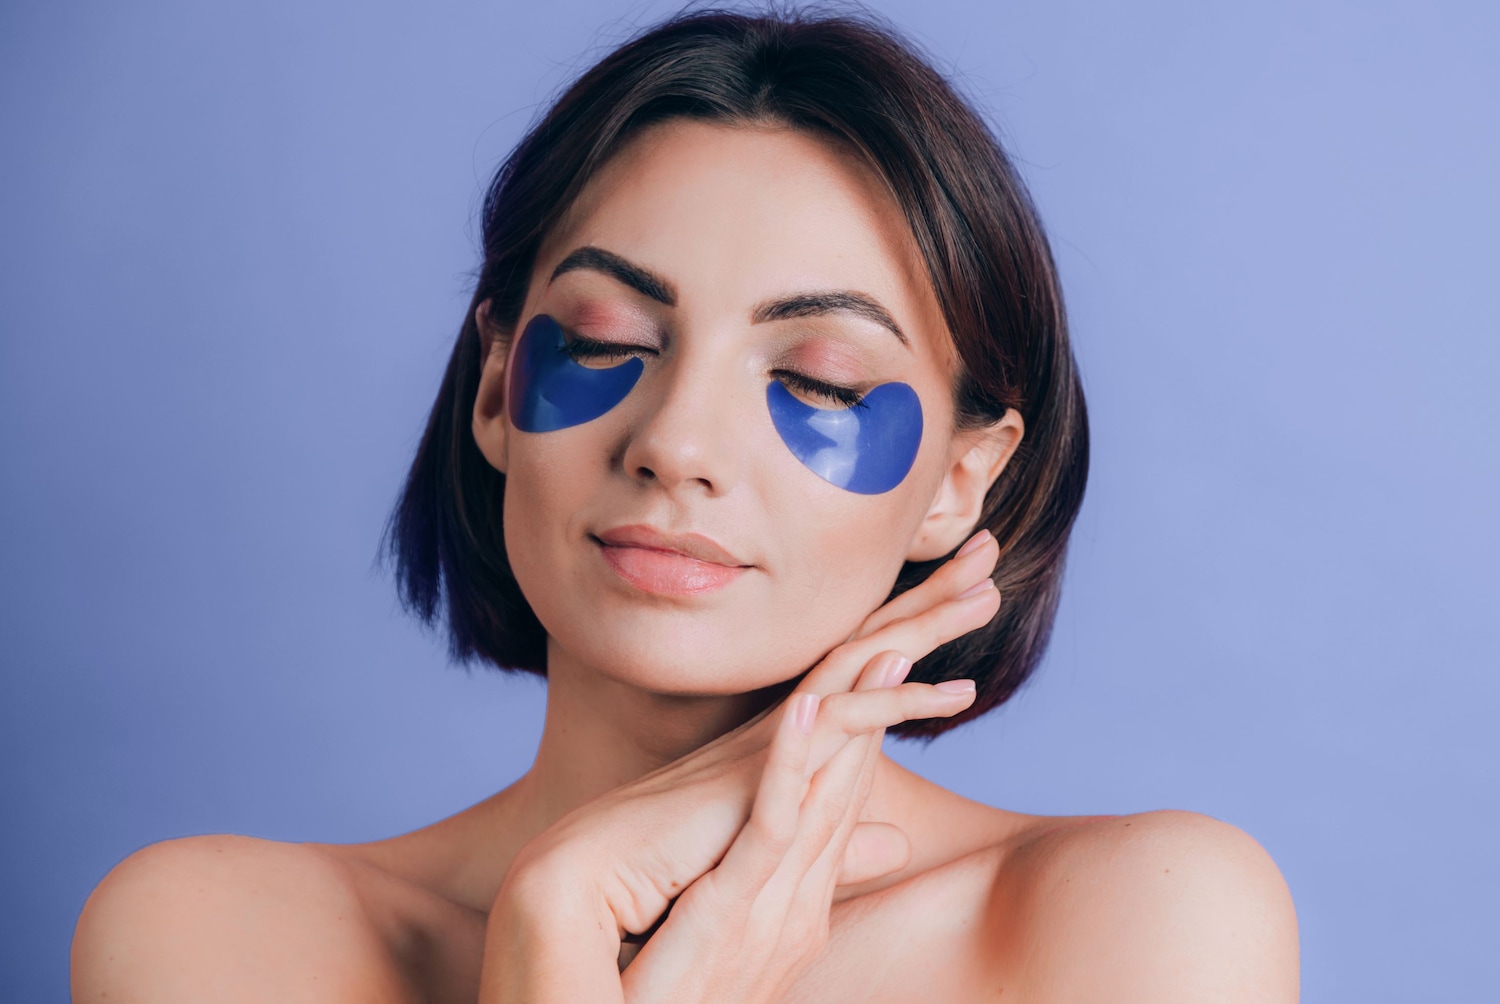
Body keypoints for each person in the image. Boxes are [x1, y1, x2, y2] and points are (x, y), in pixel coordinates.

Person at [71, 8, 1298, 1001]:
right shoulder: (220, 937)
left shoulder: (1137, 921)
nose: (676, 444)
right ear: (498, 383)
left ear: (961, 482)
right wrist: (548, 935)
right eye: (609, 338)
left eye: (819, 378)